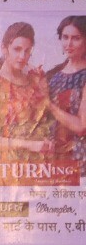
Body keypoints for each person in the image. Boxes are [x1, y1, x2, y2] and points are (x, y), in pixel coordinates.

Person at [0, 21, 55, 175]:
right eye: (17, 49)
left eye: (27, 51)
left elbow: (42, 119)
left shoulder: (32, 80)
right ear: (4, 48)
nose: (22, 56)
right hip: (5, 166)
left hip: (33, 165)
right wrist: (27, 145)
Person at [46, 16, 86, 167]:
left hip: (79, 156)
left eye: (76, 38)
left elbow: (82, 126)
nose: (69, 44)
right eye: (65, 37)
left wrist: (48, 105)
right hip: (53, 155)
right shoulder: (53, 75)